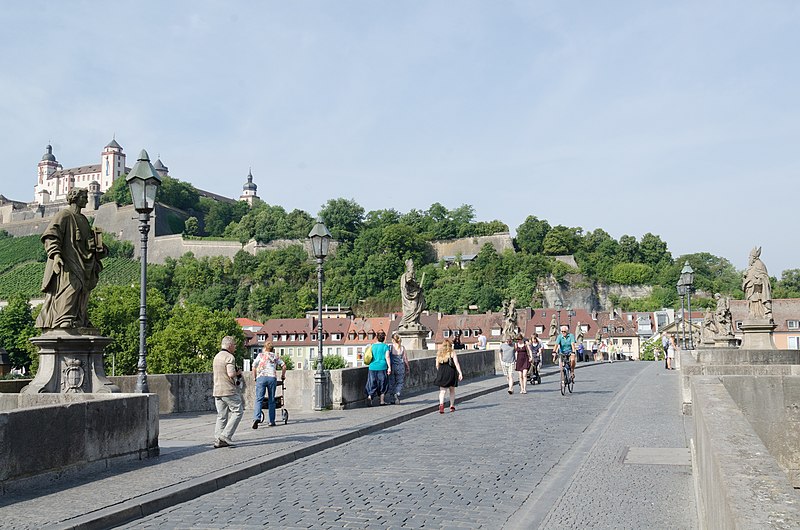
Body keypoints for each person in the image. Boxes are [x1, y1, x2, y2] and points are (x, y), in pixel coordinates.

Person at [36, 188, 108, 329]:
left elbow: (87, 244)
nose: (87, 200)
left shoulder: (83, 220)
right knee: (72, 287)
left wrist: (98, 247)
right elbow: (51, 236)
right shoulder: (64, 215)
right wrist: (56, 255)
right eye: (84, 197)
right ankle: (63, 319)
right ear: (74, 198)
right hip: (68, 261)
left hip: (83, 261)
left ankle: (79, 318)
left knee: (83, 290)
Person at [213, 336, 243, 448]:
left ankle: (218, 439)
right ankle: (226, 435)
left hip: (217, 390)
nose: (235, 347)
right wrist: (238, 372)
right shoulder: (229, 357)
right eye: (234, 345)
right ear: (229, 345)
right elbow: (230, 374)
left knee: (221, 416)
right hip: (228, 390)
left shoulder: (217, 356)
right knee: (238, 411)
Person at [251, 341, 286, 429]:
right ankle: (271, 421)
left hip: (261, 378)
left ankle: (257, 418)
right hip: (271, 378)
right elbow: (284, 366)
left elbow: (254, 367)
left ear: (264, 348)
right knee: (271, 399)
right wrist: (282, 375)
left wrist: (255, 377)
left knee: (259, 399)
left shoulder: (260, 355)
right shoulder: (275, 356)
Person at [742, 246, 773, 321]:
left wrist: (758, 280)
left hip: (757, 290)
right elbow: (748, 278)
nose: (749, 259)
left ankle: (761, 314)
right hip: (751, 290)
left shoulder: (759, 264)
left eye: (750, 257)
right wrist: (745, 277)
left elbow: (764, 277)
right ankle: (753, 314)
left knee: (758, 301)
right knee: (752, 302)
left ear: (754, 257)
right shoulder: (751, 267)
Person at [433, 339, 463, 413]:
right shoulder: (452, 352)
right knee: (452, 390)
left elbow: (437, 365)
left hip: (442, 372)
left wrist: (440, 372)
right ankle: (452, 406)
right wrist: (460, 373)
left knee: (442, 391)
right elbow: (456, 363)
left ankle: (441, 405)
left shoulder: (439, 353)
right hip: (451, 372)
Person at [365, 331, 391, 406]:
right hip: (382, 367)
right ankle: (382, 401)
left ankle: (370, 397)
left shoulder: (372, 346)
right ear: (384, 338)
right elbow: (387, 357)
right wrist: (389, 367)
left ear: (376, 337)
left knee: (372, 383)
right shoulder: (385, 346)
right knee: (383, 384)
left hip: (372, 367)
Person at [399, 259, 425, 328]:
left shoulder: (413, 276)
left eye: (413, 267)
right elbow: (408, 281)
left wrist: (419, 289)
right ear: (409, 268)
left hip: (415, 294)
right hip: (410, 296)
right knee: (413, 308)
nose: (413, 268)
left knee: (417, 307)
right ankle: (408, 321)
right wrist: (416, 285)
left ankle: (415, 321)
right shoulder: (407, 275)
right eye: (412, 267)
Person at [387, 333, 410, 404]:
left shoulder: (390, 347)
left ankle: (391, 399)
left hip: (392, 366)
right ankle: (397, 393)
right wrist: (407, 367)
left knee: (391, 382)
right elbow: (405, 359)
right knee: (400, 382)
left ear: (393, 340)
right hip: (400, 366)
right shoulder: (402, 348)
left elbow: (387, 356)